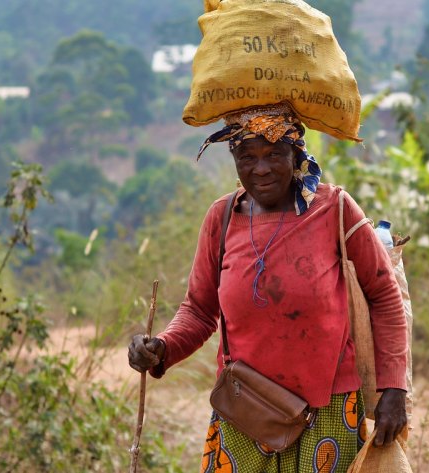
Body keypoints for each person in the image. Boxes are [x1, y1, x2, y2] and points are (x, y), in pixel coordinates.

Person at [128, 102, 408, 472]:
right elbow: (199, 310)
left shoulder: (335, 209)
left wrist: (394, 388)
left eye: (274, 153)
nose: (261, 168)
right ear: (234, 159)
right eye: (247, 156)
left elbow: (384, 297)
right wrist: (161, 348)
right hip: (243, 407)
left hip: (329, 408)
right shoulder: (222, 217)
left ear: (296, 154)